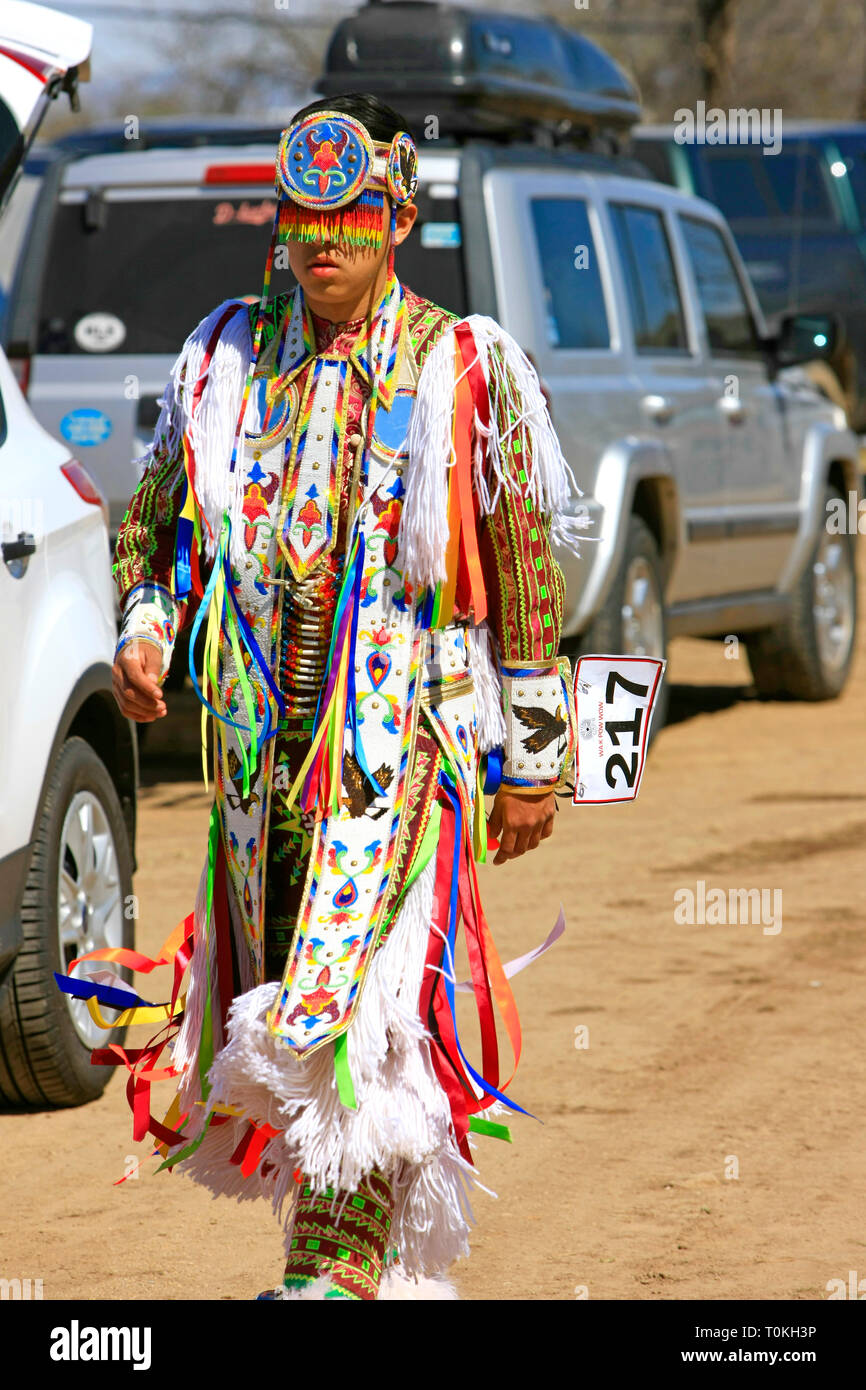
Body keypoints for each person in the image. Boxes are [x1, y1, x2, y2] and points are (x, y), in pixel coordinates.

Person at [71, 93, 585, 1300]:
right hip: (257, 775)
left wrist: (534, 756)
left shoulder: (459, 365)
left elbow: (518, 567)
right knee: (295, 1016)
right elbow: (154, 531)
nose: (326, 243)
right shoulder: (224, 359)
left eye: (350, 217)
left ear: (392, 218)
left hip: (397, 755)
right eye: (307, 217)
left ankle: (328, 1278)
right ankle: (369, 1274)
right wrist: (145, 632)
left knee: (346, 1010)